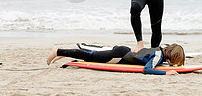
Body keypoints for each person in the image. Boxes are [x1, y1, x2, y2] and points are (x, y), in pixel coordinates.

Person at [46, 43, 185, 75]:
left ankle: (66, 53)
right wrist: (166, 72)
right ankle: (57, 50)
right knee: (91, 56)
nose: (176, 64)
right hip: (119, 56)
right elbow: (147, 69)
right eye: (177, 61)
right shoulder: (158, 56)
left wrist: (165, 65)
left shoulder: (159, 52)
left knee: (93, 54)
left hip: (123, 52)